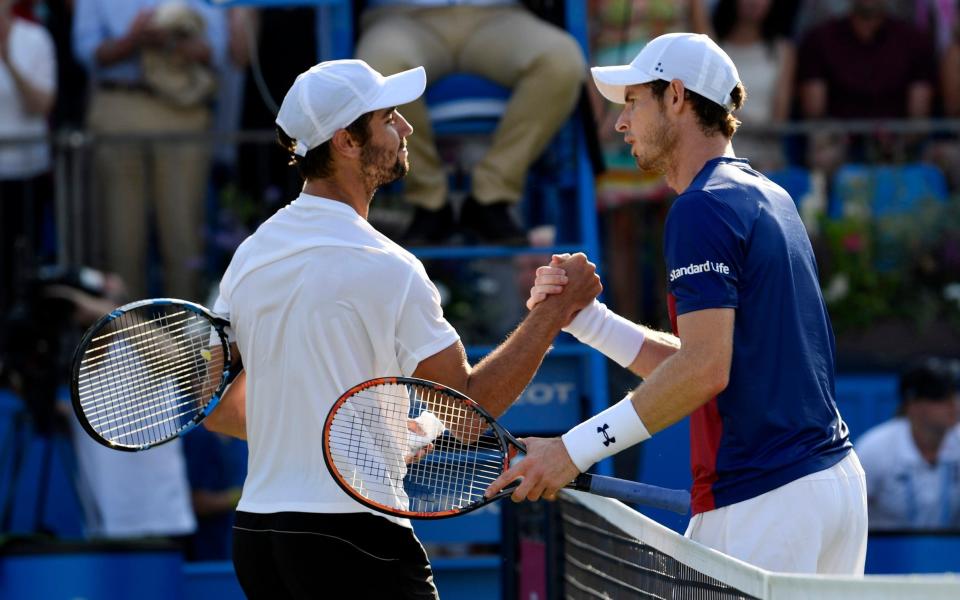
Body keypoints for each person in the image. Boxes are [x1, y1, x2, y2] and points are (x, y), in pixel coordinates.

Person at [201, 59, 600, 598]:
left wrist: (366, 441)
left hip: (258, 537)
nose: (407, 127)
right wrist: (553, 313)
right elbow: (465, 415)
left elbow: (219, 409)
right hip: (351, 538)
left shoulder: (249, 257)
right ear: (346, 141)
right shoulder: (388, 267)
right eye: (389, 117)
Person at [487, 33, 868, 575]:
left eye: (633, 101)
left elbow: (704, 370)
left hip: (766, 498)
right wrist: (586, 321)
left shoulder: (701, 209)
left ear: (677, 97)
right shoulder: (768, 194)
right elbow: (714, 364)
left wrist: (571, 451)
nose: (621, 123)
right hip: (832, 491)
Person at [354, 0, 586, 245]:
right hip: (402, 16)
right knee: (378, 74)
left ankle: (491, 195)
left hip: (500, 16)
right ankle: (429, 200)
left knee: (562, 63)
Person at [72, 0, 226, 300]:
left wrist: (172, 41)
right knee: (121, 238)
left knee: (182, 237)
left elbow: (218, 50)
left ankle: (187, 340)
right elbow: (86, 51)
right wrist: (132, 41)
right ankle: (126, 339)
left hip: (181, 112)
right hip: (119, 109)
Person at [856, 357, 960, 530]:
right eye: (940, 397)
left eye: (955, 395)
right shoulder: (874, 449)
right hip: (884, 555)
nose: (953, 405)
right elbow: (846, 516)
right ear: (912, 406)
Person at [0, 0, 56, 315]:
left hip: (25, 176)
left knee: (21, 270)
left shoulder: (34, 38)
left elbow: (41, 104)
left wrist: (8, 59)